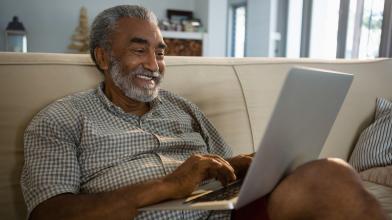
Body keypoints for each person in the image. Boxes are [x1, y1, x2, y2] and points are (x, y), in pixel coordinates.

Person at [21, 5, 388, 220]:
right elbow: (48, 213)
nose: (154, 64)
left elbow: (222, 171)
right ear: (103, 57)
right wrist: (168, 185)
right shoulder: (61, 119)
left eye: (161, 52)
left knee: (331, 173)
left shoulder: (184, 108)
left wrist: (248, 165)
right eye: (139, 50)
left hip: (228, 216)